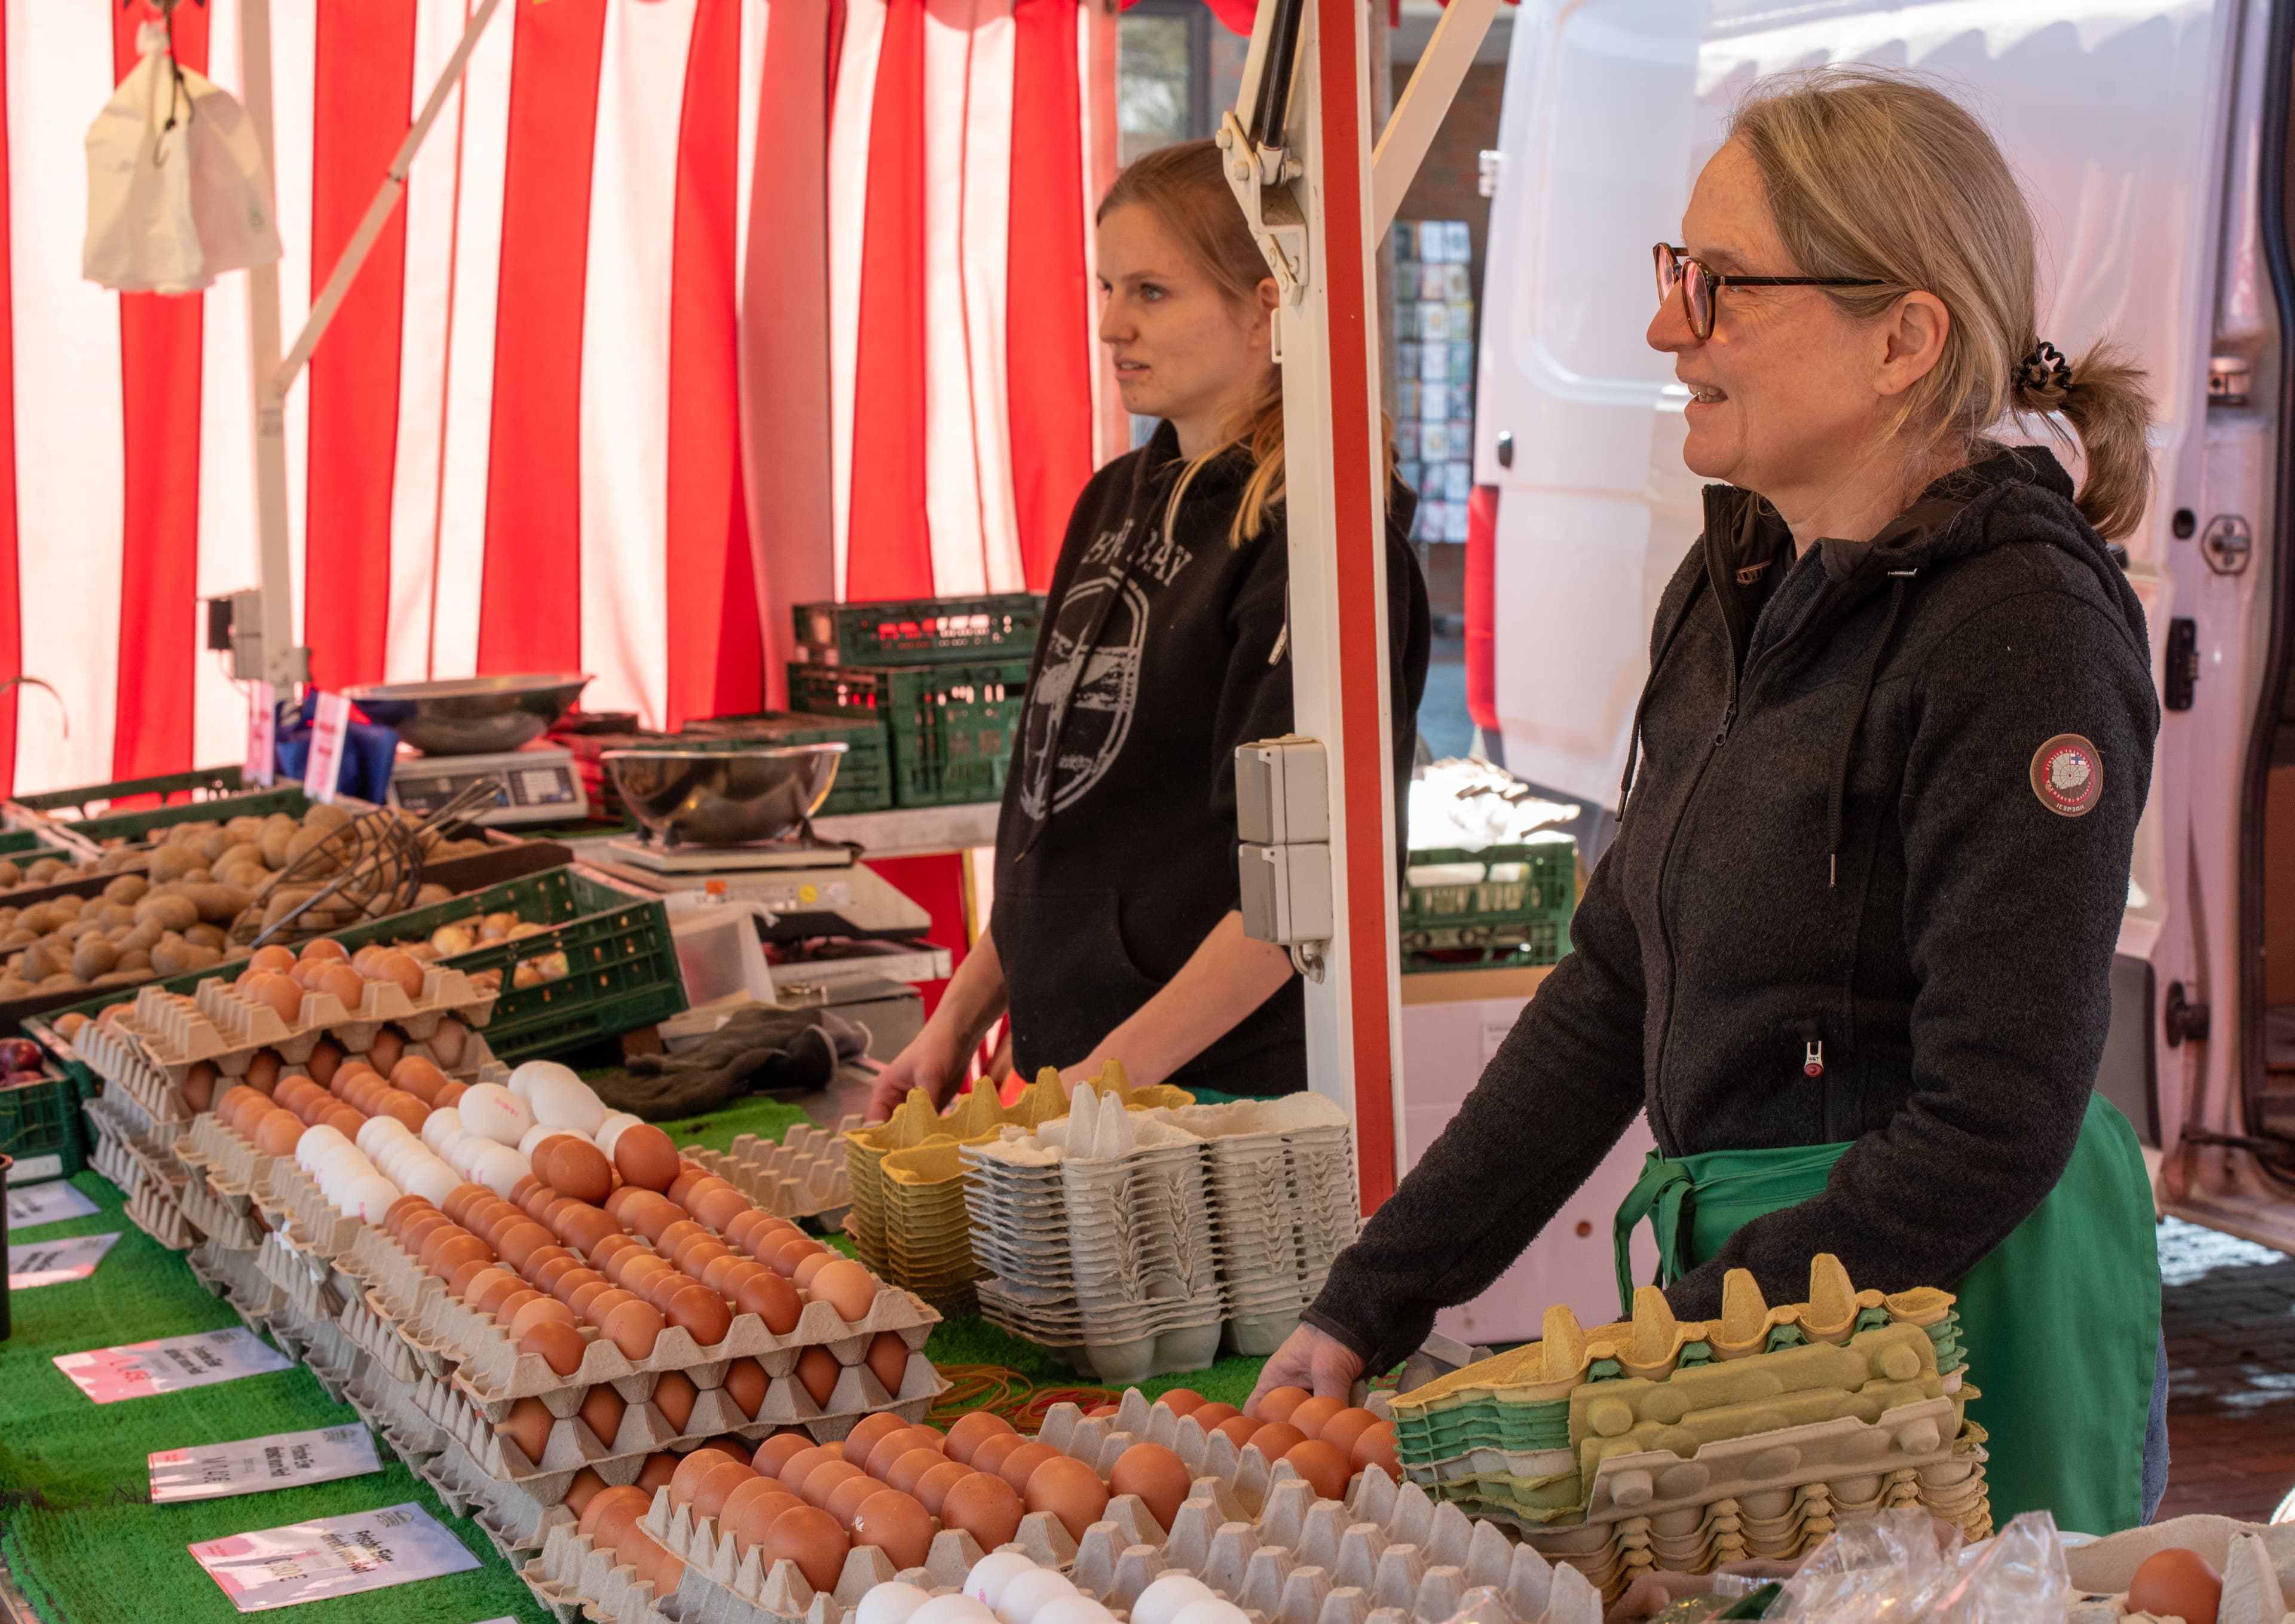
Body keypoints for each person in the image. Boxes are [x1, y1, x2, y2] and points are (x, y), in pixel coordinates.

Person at [1252, 67, 2168, 1537]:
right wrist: (1376, 1296)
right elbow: (1619, 980)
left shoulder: (2024, 637)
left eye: (1721, 286)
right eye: (1677, 273)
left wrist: (1675, 1343)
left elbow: (1990, 1124)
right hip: (1773, 1322)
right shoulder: (1739, 578)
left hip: (1936, 1334)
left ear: (1903, 340)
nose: (1668, 327)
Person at [868, 140, 1430, 1116]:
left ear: (1266, 305)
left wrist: (1100, 1082)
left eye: (1152, 293)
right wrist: (958, 1017)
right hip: (1080, 1087)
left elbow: (1292, 907)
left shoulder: (1321, 545)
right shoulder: (1113, 500)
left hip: (1204, 1107)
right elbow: (1062, 818)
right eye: (1106, 287)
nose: (1110, 324)